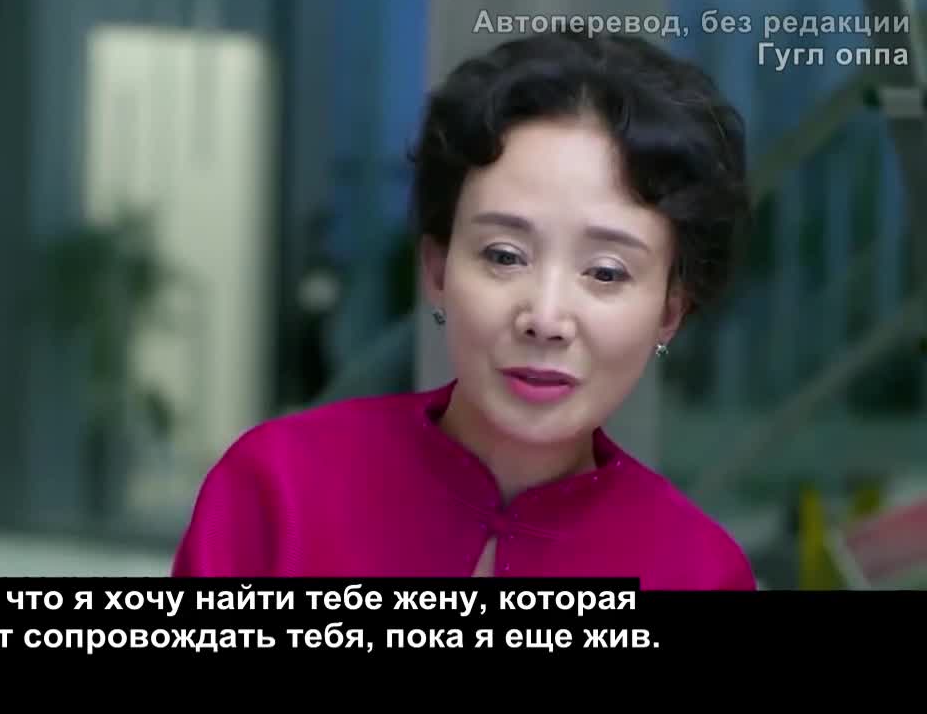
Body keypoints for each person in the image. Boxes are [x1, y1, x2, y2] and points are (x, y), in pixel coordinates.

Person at [172, 31, 758, 589]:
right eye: (504, 256)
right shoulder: (276, 491)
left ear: (669, 312)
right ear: (437, 269)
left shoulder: (699, 573)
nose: (545, 318)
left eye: (606, 272)